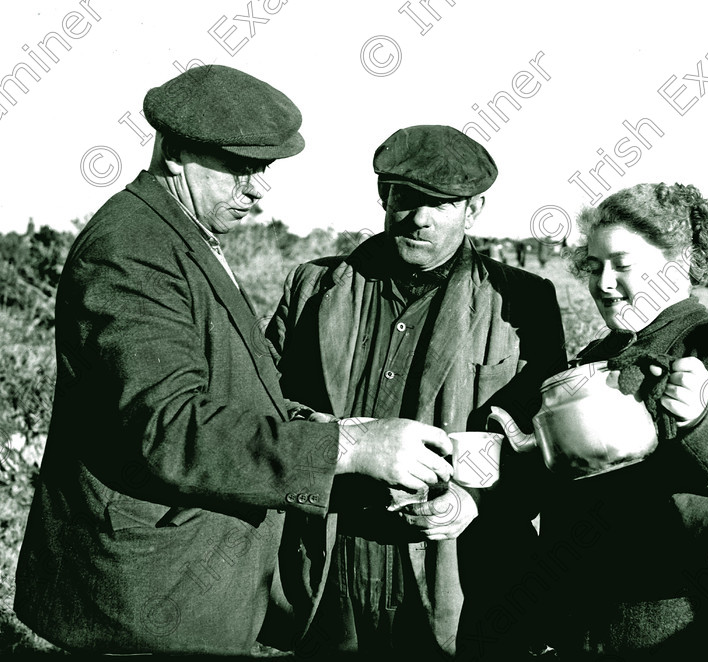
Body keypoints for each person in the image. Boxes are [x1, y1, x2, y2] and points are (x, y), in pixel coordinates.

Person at [13, 66, 453, 656]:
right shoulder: (133, 250)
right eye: (240, 166)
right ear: (174, 154)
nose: (258, 187)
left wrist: (328, 428)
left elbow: (226, 393)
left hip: (180, 596)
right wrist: (350, 450)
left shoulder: (179, 237)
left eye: (265, 168)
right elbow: (168, 427)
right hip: (143, 607)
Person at [266, 124, 567, 660]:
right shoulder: (312, 286)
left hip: (460, 577)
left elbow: (546, 445)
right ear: (385, 196)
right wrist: (341, 440)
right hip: (329, 568)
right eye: (406, 198)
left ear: (473, 209)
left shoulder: (524, 302)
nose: (420, 218)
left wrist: (473, 501)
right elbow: (259, 409)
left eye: (442, 203)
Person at [535, 183, 708, 661]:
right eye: (594, 267)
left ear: (677, 263)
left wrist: (702, 419)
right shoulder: (595, 360)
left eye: (622, 264)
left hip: (682, 630)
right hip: (580, 628)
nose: (604, 284)